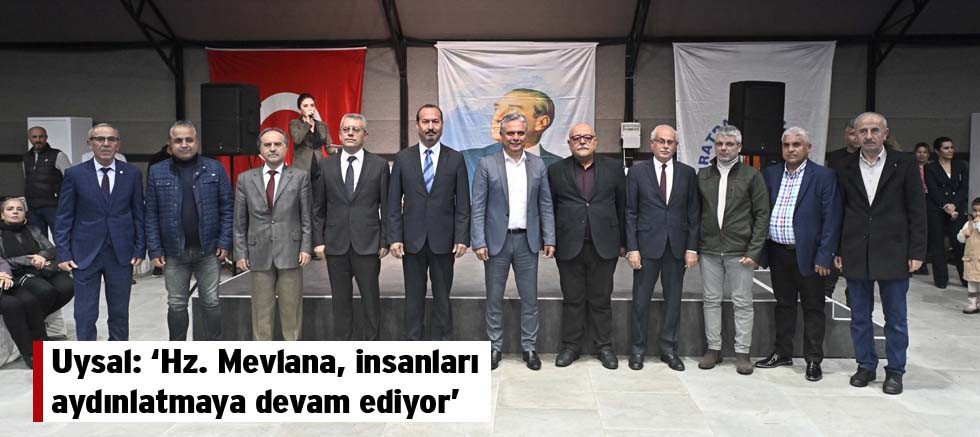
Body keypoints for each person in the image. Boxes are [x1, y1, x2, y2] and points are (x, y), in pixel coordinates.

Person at [835, 112, 926, 395]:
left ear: (885, 133)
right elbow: (839, 210)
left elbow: (917, 211)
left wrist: (917, 251)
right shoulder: (843, 165)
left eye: (875, 130)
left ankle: (895, 371)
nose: (869, 135)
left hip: (894, 251)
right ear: (855, 134)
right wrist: (837, 249)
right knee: (859, 316)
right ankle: (865, 365)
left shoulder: (905, 163)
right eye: (863, 131)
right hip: (855, 250)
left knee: (895, 319)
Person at [753, 127, 842, 382]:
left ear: (808, 148)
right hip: (778, 252)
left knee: (813, 307)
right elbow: (761, 212)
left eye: (797, 144)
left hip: (811, 257)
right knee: (784, 305)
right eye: (787, 145)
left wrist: (825, 256)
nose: (791, 149)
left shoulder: (823, 176)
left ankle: (813, 359)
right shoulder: (771, 174)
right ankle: (782, 353)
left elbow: (831, 219)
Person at [471, 113, 555, 371]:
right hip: (496, 243)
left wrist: (549, 237)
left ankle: (529, 348)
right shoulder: (487, 164)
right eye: (511, 133)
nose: (516, 138)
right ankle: (494, 348)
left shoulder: (538, 165)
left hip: (527, 241)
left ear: (526, 135)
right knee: (494, 298)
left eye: (520, 133)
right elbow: (478, 206)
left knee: (530, 299)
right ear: (501, 135)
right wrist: (478, 240)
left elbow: (545, 204)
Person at [55, 123, 145, 341]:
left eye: (111, 139)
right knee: (85, 313)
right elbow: (64, 216)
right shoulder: (75, 174)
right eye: (100, 139)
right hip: (84, 253)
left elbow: (139, 214)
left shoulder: (131, 174)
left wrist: (140, 248)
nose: (106, 144)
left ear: (118, 145)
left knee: (119, 312)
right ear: (90, 143)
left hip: (120, 252)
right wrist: (63, 253)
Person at [387, 104, 470, 341]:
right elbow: (393, 202)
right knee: (413, 296)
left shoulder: (455, 159)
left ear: (442, 125)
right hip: (412, 240)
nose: (430, 126)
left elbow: (463, 202)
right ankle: (414, 343)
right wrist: (394, 237)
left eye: (435, 121)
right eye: (426, 122)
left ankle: (441, 342)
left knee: (442, 296)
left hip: (444, 241)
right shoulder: (403, 158)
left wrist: (462, 237)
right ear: (417, 125)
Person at [145, 121, 233, 341]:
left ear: (197, 142)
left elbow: (227, 207)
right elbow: (151, 213)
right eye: (178, 140)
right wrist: (154, 249)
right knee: (176, 303)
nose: (184, 144)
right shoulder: (157, 171)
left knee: (211, 301)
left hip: (208, 251)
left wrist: (224, 241)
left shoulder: (214, 168)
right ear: (170, 144)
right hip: (173, 253)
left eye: (189, 139)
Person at [549, 123, 626, 370]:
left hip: (604, 245)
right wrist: (549, 240)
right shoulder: (555, 170)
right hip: (569, 245)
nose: (582, 141)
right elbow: (549, 208)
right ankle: (570, 347)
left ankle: (604, 347)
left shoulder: (614, 168)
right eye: (577, 138)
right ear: (569, 143)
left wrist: (624, 242)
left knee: (601, 299)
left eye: (587, 137)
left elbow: (623, 207)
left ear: (595, 141)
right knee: (573, 299)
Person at [696, 125, 770, 375]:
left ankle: (742, 352)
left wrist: (754, 250)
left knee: (742, 302)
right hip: (709, 249)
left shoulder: (752, 175)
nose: (724, 148)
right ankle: (713, 349)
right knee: (711, 300)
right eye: (719, 144)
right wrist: (695, 246)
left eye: (729, 144)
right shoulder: (703, 174)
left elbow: (762, 215)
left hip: (740, 251)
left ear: (739, 147)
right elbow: (695, 213)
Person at [625, 125, 699, 372]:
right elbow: (630, 213)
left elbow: (693, 213)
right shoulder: (637, 172)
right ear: (652, 144)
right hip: (646, 248)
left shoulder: (688, 173)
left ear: (676, 146)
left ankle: (669, 350)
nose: (666, 146)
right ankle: (638, 350)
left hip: (676, 248)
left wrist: (692, 248)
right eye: (661, 141)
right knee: (640, 301)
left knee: (673, 301)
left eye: (670, 142)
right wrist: (632, 248)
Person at [312, 114, 389, 341]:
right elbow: (318, 207)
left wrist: (384, 240)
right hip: (336, 244)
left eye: (356, 129)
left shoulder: (380, 165)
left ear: (365, 135)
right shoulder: (325, 166)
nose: (350, 133)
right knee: (340, 302)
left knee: (371, 301)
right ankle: (344, 348)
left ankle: (371, 348)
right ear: (339, 134)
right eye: (346, 129)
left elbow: (387, 206)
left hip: (368, 244)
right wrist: (318, 241)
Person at [233, 128, 312, 341]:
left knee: (291, 310)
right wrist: (240, 252)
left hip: (291, 251)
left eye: (277, 144)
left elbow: (306, 216)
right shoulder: (245, 179)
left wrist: (306, 247)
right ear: (260, 149)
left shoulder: (300, 177)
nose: (273, 148)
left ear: (286, 148)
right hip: (258, 252)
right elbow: (239, 221)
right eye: (267, 145)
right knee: (261, 312)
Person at [0, 197, 74, 367]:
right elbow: (5, 261)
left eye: (19, 209)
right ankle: (31, 351)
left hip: (40, 268)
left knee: (67, 286)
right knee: (39, 293)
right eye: (10, 209)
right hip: (17, 273)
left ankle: (39, 334)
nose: (15, 212)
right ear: (2, 215)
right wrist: (28, 260)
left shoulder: (33, 229)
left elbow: (51, 248)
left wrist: (41, 256)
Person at [462, 88, 562, 185]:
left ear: (541, 122)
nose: (497, 117)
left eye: (512, 111)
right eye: (497, 109)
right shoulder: (467, 159)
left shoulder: (558, 166)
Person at [924, 137, 969, 288]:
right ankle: (941, 280)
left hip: (957, 209)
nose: (950, 150)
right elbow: (932, 189)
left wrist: (954, 205)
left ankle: (966, 278)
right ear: (937, 151)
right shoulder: (930, 168)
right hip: (937, 209)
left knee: (959, 243)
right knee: (937, 245)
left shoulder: (960, 165)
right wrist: (945, 205)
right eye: (946, 148)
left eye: (951, 147)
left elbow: (964, 187)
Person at [823, 119, 860, 297]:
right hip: (836, 214)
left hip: (859, 217)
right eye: (852, 134)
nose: (855, 138)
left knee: (856, 278)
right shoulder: (835, 157)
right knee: (829, 270)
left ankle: (853, 305)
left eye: (858, 134)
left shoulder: (870, 159)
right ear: (845, 135)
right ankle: (825, 300)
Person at [22, 126, 71, 238]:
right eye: (34, 137)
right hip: (33, 206)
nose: (38, 139)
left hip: (54, 206)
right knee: (39, 240)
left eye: (41, 136)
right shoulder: (26, 157)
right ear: (29, 138)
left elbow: (71, 179)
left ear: (46, 138)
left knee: (61, 237)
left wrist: (65, 202)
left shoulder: (58, 155)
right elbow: (27, 180)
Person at [0, 257, 45, 368]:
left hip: (5, 283)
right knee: (12, 305)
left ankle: (41, 343)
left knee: (30, 300)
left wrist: (5, 275)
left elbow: (2, 262)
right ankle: (28, 352)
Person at [288, 93, 333, 173]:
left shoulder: (322, 125)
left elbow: (329, 148)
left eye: (312, 105)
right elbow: (297, 139)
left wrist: (341, 150)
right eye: (305, 106)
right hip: (301, 169)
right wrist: (307, 123)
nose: (309, 108)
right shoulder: (295, 123)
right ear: (300, 110)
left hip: (319, 168)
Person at [956, 198, 980, 313]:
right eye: (975, 210)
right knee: (971, 282)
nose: (977, 213)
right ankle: (972, 303)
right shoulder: (968, 224)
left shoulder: (977, 225)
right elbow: (960, 240)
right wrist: (962, 234)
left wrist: (978, 224)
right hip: (970, 260)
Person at [911, 142, 931, 275]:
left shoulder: (932, 168)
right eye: (919, 152)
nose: (922, 155)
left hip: (929, 199)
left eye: (925, 152)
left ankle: (924, 262)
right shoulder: (910, 167)